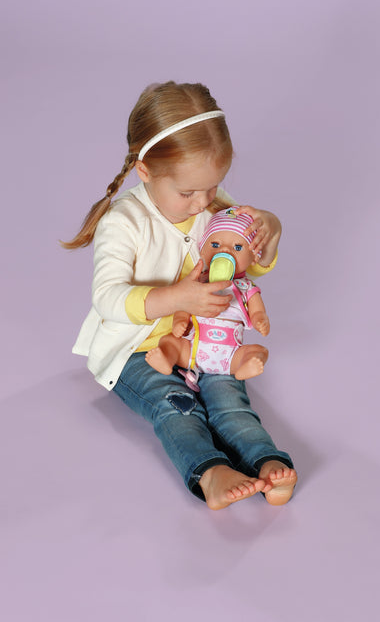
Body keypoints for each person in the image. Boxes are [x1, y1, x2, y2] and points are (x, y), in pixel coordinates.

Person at [63, 81, 297, 510]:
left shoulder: (212, 204)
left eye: (214, 186)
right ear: (145, 171)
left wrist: (272, 232)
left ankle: (266, 461)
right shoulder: (125, 222)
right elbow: (108, 299)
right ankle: (210, 471)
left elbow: (244, 263)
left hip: (204, 341)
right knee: (177, 405)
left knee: (229, 398)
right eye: (188, 192)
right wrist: (176, 299)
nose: (203, 203)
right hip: (135, 350)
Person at [145, 206, 271, 384]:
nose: (224, 251)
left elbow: (257, 311)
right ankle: (167, 357)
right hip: (191, 352)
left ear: (254, 257)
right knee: (169, 341)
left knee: (259, 351)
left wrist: (260, 321)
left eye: (237, 247)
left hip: (230, 356)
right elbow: (183, 304)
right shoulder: (198, 281)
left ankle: (246, 365)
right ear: (202, 250)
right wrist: (180, 321)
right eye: (215, 245)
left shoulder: (246, 287)